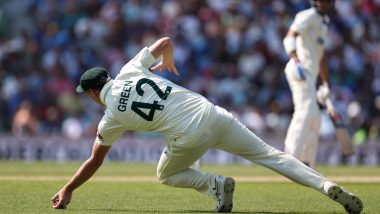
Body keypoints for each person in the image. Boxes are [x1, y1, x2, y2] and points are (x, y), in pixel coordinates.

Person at [51, 37, 362, 213]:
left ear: (93, 92)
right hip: (213, 113)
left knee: (165, 174)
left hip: (188, 135)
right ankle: (325, 185)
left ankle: (213, 184)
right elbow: (165, 41)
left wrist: (68, 188)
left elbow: (95, 160)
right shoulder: (129, 70)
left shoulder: (110, 118)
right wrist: (168, 61)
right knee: (271, 155)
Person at [282, 0, 334, 168]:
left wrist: (326, 83)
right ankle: (289, 161)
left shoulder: (324, 23)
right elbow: (290, 35)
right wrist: (295, 59)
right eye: (323, 1)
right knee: (305, 111)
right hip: (300, 70)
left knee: (314, 118)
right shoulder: (307, 16)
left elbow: (322, 57)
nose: (327, 3)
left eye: (329, 1)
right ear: (316, 2)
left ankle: (306, 164)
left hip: (310, 76)